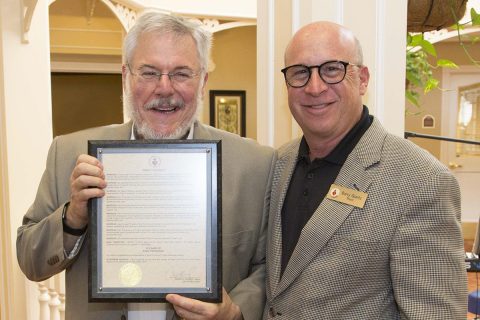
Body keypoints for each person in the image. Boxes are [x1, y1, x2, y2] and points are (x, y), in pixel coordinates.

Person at [17, 11, 275, 320]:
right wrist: (73, 216)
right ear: (126, 76)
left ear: (203, 80)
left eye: (181, 73)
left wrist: (233, 311)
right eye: (149, 73)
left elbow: (268, 267)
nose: (164, 88)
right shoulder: (70, 153)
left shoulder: (255, 165)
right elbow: (29, 259)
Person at [264, 21, 468, 319]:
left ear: (362, 79)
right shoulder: (278, 164)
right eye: (300, 73)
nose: (315, 87)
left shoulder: (422, 181)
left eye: (332, 69)